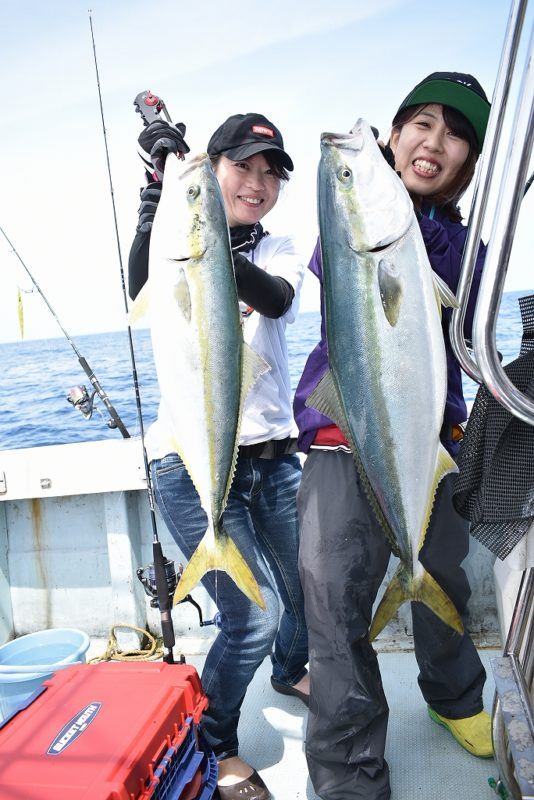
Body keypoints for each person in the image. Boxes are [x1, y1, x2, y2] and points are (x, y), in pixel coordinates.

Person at [293, 72, 492, 799]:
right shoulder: (360, 214)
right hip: (340, 440)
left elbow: (453, 289)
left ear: (470, 163)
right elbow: (337, 257)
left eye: (455, 135)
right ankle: (349, 776)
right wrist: (365, 181)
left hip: (430, 443)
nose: (434, 143)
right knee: (335, 606)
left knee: (444, 579)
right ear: (395, 133)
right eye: (422, 124)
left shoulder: (462, 245)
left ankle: (455, 699)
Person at [128, 113, 309, 800]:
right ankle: (218, 744)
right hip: (189, 465)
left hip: (273, 460)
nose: (259, 183)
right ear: (216, 169)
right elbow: (140, 286)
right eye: (244, 167)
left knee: (306, 591)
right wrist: (161, 214)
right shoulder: (177, 244)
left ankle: (292, 670)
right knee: (253, 615)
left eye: (272, 173)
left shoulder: (278, 248)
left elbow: (278, 298)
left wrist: (205, 241)